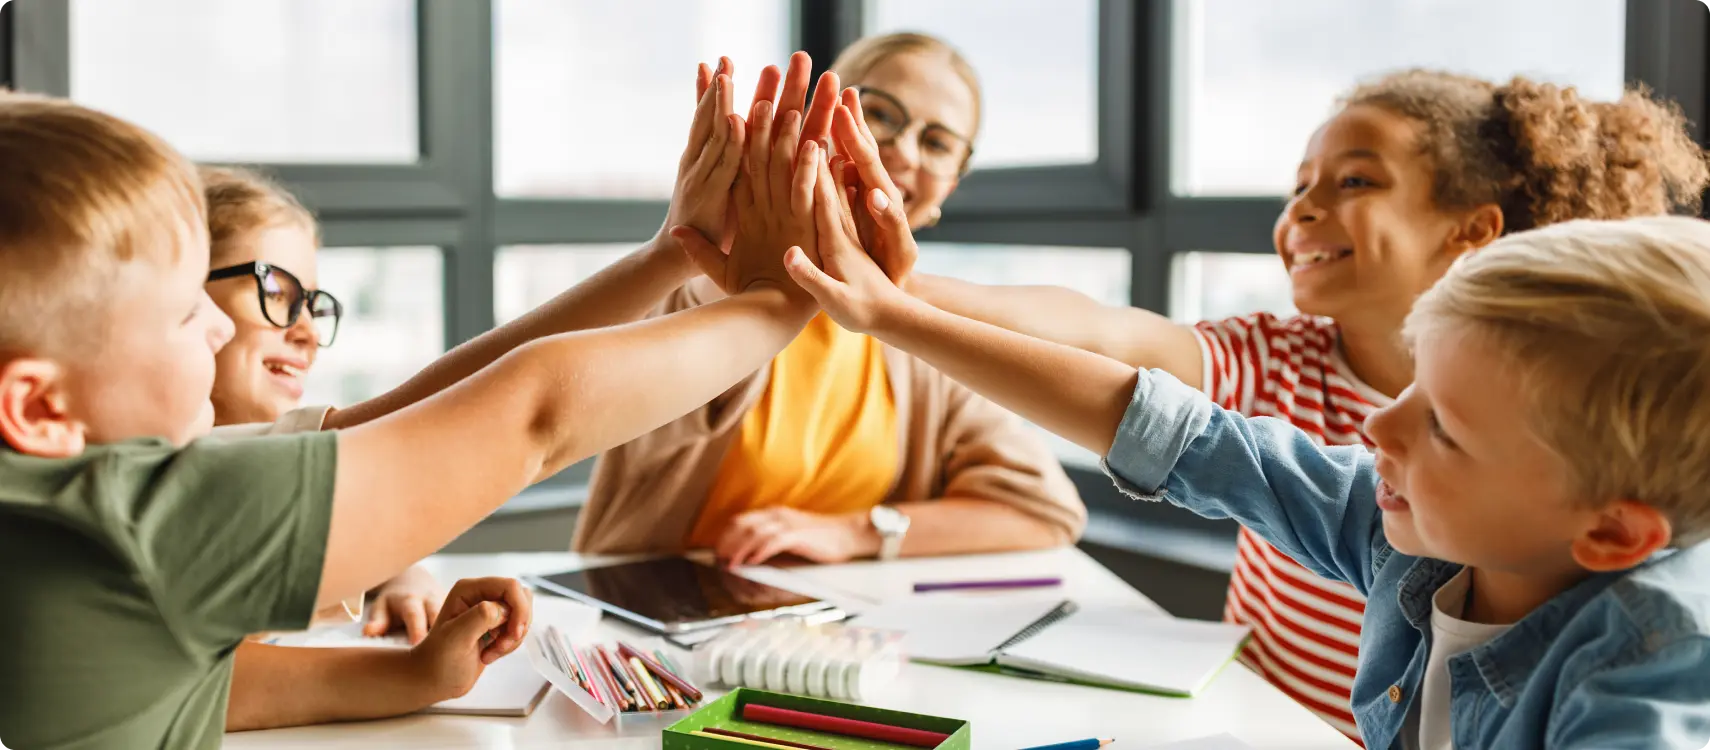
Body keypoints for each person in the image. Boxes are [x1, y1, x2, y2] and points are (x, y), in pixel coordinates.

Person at [787, 97, 1710, 746]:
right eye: (1413, 391)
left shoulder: (1651, 665)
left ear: (1612, 530)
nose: (1380, 431)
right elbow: (1152, 417)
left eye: (1446, 431)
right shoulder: (1411, 532)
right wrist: (891, 312)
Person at [0, 58, 824, 746]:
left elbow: (401, 418)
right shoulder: (136, 519)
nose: (216, 329)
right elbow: (533, 415)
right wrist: (781, 296)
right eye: (185, 310)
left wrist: (668, 258)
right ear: (38, 406)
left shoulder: (49, 514)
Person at [579, 36, 1085, 566]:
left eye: (937, 143)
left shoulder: (921, 336)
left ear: (950, 186)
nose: (902, 152)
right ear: (820, 115)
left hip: (822, 633)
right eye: (880, 115)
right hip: (647, 623)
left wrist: (856, 533)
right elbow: (584, 402)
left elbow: (1047, 509)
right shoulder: (710, 283)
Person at [201, 165, 444, 643]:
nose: (309, 332)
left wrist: (403, 577)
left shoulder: (274, 468)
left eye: (314, 305)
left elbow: (355, 535)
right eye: (275, 291)